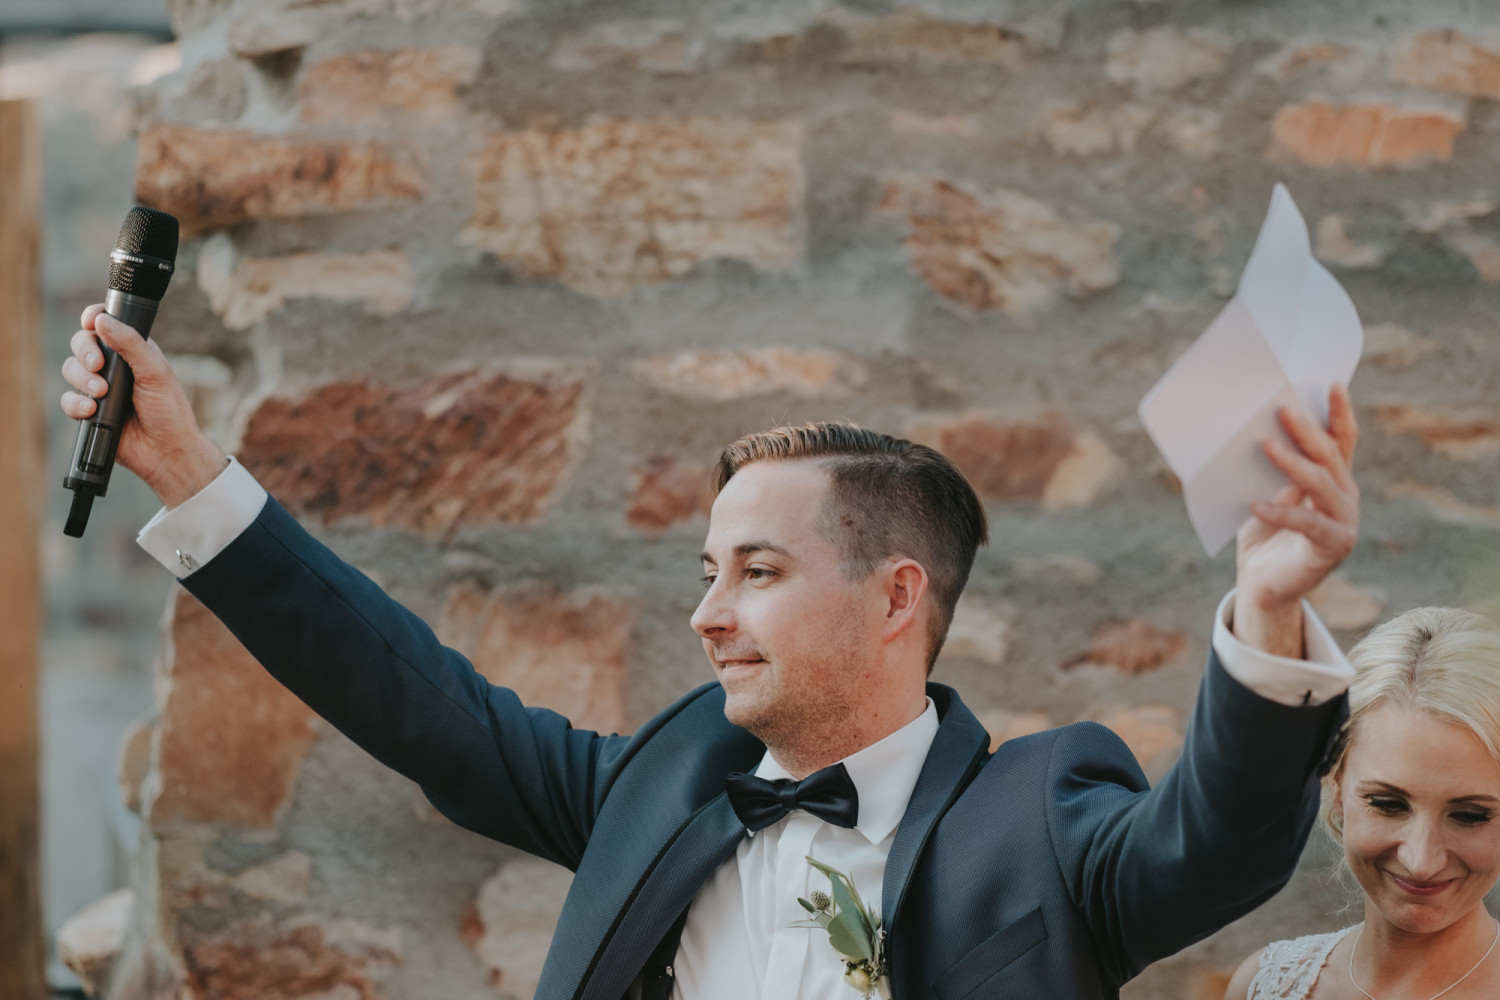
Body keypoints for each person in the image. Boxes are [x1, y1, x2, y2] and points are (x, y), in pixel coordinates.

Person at [63, 302, 1361, 1000]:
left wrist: (1267, 609)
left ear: (895, 595)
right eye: (706, 573)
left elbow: (1219, 841)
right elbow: (414, 700)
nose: (707, 613)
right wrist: (187, 470)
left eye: (758, 571)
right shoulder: (662, 783)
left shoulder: (1041, 820)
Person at [1225, 607, 1500, 1000]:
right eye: (1388, 804)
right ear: (1336, 785)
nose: (1421, 861)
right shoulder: (1264, 987)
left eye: (1470, 815)